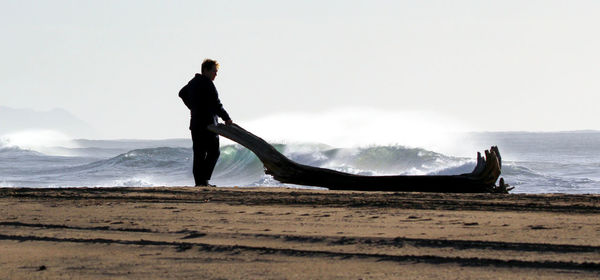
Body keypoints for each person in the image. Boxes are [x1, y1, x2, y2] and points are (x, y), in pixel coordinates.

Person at [184, 59, 233, 187]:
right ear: (205, 70)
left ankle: (200, 183)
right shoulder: (207, 84)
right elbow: (217, 104)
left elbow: (182, 93)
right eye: (214, 71)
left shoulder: (193, 82)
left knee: (199, 154)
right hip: (208, 125)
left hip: (196, 124)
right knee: (214, 152)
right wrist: (226, 118)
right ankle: (203, 180)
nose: (215, 75)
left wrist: (193, 107)